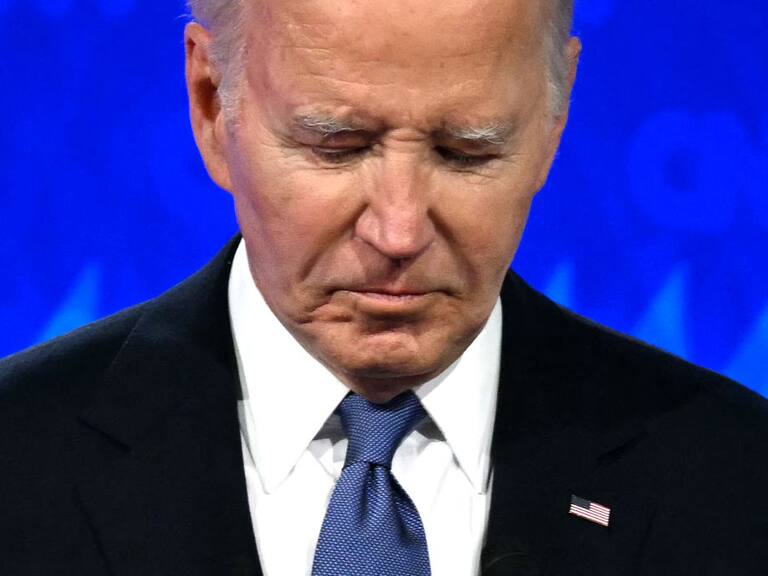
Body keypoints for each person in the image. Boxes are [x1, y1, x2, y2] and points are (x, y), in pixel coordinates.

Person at [1, 0, 766, 574]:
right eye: (337, 146)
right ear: (210, 103)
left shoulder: (737, 479)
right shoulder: (17, 456)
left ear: (556, 114)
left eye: (467, 151)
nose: (399, 233)